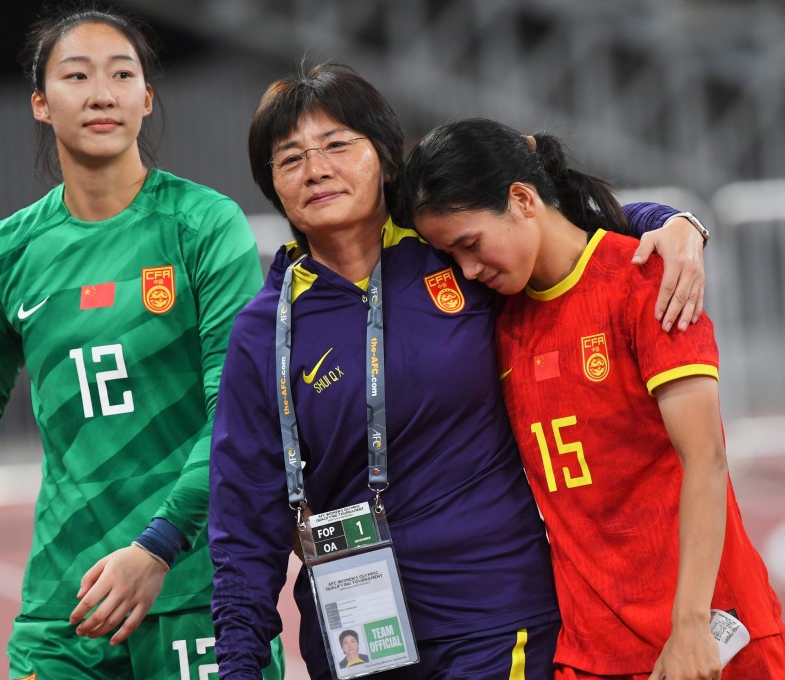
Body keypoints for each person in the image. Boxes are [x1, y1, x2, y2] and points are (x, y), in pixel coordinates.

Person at [208, 62, 709, 680]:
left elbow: (557, 231)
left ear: (387, 158)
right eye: (290, 160)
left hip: (498, 617)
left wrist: (669, 223)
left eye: (338, 145)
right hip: (356, 637)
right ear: (272, 186)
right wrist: (236, 667)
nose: (316, 170)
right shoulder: (265, 331)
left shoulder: (453, 254)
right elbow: (241, 526)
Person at [0, 6, 283, 680]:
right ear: (41, 103)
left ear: (146, 98)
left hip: (196, 592)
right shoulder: (6, 253)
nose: (101, 93)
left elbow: (237, 415)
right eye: (76, 76)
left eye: (121, 74)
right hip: (64, 610)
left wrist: (157, 549)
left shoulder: (202, 225)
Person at [401, 117, 785, 680]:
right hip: (590, 652)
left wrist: (689, 627)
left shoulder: (647, 278)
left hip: (709, 636)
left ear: (522, 199)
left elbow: (706, 459)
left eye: (470, 244)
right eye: (451, 256)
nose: (468, 269)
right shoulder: (495, 318)